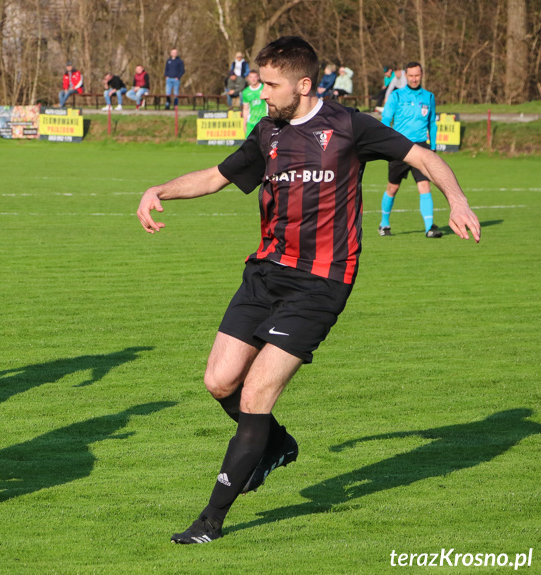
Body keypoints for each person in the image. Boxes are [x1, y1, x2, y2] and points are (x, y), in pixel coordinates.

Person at [136, 36, 480, 545]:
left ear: (303, 84)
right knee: (219, 382)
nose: (261, 92)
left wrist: (457, 200)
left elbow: (423, 158)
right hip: (265, 272)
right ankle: (275, 443)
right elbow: (215, 177)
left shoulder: (348, 126)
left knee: (255, 394)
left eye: (270, 84)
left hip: (320, 282)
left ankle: (210, 520)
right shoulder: (267, 132)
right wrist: (158, 189)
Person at [379, 62, 442, 237]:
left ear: (422, 75)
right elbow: (386, 120)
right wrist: (384, 143)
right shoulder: (396, 96)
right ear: (406, 75)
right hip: (399, 146)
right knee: (393, 187)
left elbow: (431, 123)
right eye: (411, 75)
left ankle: (429, 227)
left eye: (417, 75)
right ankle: (384, 224)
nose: (414, 79)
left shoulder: (428, 97)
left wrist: (434, 147)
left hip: (421, 147)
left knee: (424, 185)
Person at [241, 70, 266, 137]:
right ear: (248, 78)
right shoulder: (246, 92)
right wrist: (244, 123)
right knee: (249, 145)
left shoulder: (264, 88)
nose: (253, 79)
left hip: (263, 121)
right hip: (251, 122)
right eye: (251, 77)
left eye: (255, 77)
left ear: (258, 77)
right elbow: (246, 109)